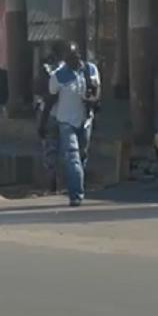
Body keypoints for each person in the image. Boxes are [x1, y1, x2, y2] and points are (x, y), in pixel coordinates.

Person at [46, 41, 101, 206]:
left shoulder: (90, 70)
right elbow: (50, 97)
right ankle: (76, 195)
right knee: (72, 157)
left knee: (82, 155)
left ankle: (78, 184)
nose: (73, 60)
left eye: (75, 56)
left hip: (85, 121)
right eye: (69, 58)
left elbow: (97, 91)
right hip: (66, 122)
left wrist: (91, 99)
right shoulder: (58, 76)